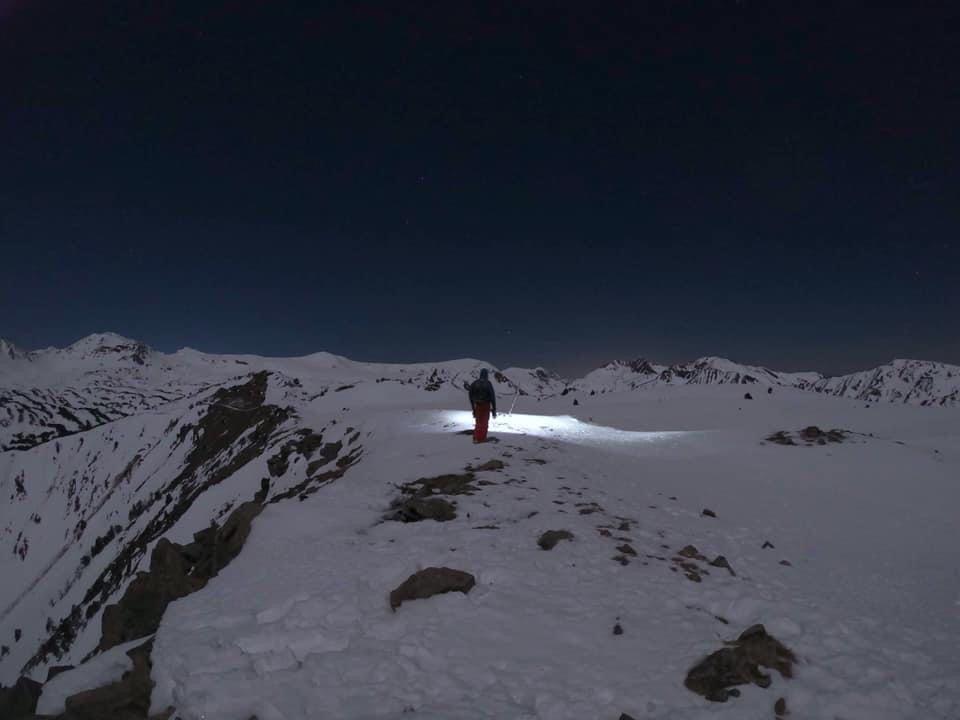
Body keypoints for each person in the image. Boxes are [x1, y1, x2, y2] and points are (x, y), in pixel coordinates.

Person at [467, 369, 497, 443]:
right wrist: (494, 410)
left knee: (478, 422)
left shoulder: (474, 383)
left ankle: (476, 437)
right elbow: (492, 397)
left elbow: (470, 396)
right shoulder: (488, 383)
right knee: (484, 423)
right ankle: (481, 439)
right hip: (486, 405)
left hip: (477, 406)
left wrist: (473, 409)